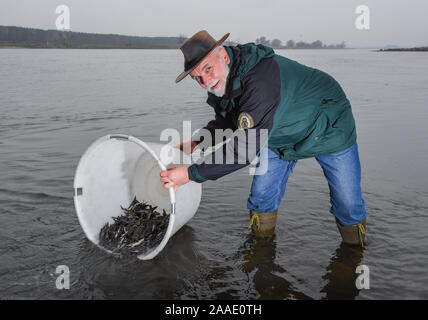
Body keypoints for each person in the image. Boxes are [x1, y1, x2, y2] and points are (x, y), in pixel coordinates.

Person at [160, 30, 367, 246]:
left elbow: (243, 151)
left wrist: (190, 173)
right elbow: (228, 122)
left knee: (348, 204)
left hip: (328, 127)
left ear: (224, 57)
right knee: (260, 198)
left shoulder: (260, 79)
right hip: (278, 135)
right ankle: (261, 252)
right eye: (197, 78)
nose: (205, 81)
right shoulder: (221, 82)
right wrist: (196, 143)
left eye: (208, 69)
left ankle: (353, 255)